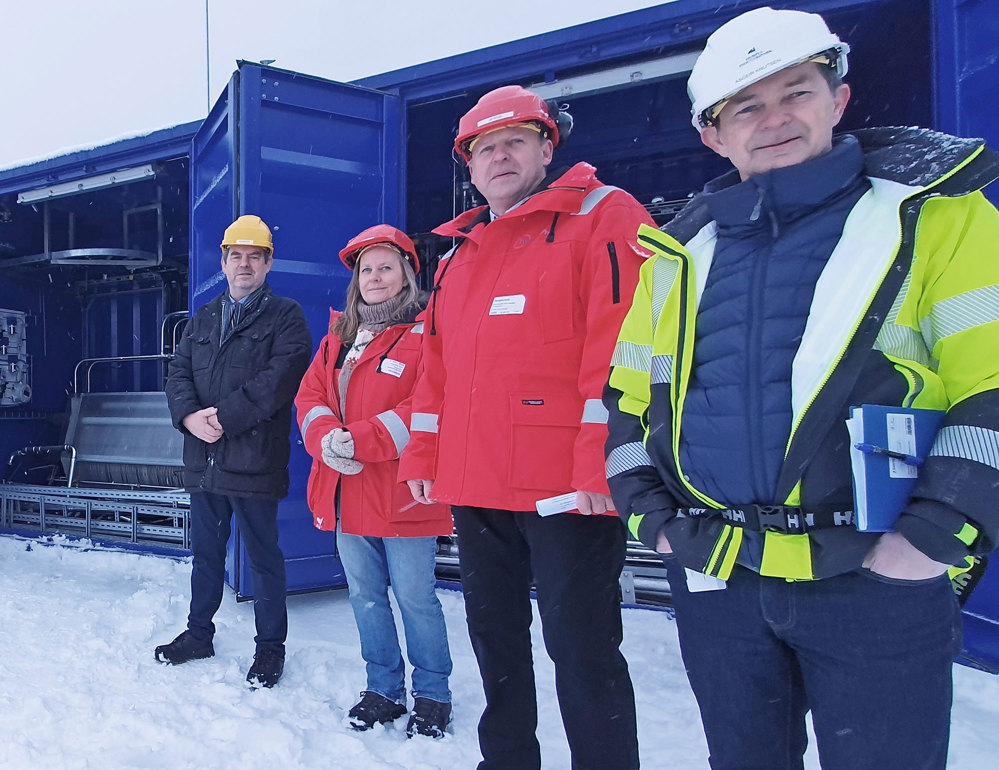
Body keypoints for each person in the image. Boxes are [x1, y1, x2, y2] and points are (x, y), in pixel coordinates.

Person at [604, 7, 999, 770]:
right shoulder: (678, 254)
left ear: (837, 100)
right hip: (718, 573)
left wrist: (926, 540)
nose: (773, 119)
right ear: (711, 134)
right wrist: (651, 524)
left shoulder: (932, 215)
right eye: (744, 106)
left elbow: (991, 384)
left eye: (796, 92)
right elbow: (626, 401)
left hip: (872, 576)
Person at [400, 85, 653, 770]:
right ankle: (505, 760)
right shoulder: (458, 254)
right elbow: (437, 371)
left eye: (515, 140)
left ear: (547, 147)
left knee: (582, 650)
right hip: (475, 483)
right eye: (484, 148)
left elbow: (621, 348)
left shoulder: (604, 216)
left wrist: (601, 462)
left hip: (566, 492)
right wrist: (423, 455)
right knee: (495, 640)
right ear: (470, 167)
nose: (499, 156)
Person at [294, 225, 454, 738]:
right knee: (365, 596)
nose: (376, 278)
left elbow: (430, 404)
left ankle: (433, 693)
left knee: (415, 598)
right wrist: (325, 438)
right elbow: (309, 396)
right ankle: (383, 687)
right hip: (347, 489)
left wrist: (360, 439)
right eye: (367, 269)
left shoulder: (428, 331)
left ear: (407, 275)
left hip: (404, 490)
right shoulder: (338, 338)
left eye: (386, 267)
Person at [156, 214, 312, 689]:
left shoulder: (286, 317)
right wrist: (187, 417)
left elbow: (279, 381)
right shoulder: (202, 317)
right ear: (223, 262)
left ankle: (270, 649)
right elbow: (177, 373)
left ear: (268, 263)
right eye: (236, 256)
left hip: (254, 461)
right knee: (206, 554)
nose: (244, 265)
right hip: (203, 460)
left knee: (263, 557)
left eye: (254, 257)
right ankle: (199, 634)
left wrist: (223, 417)